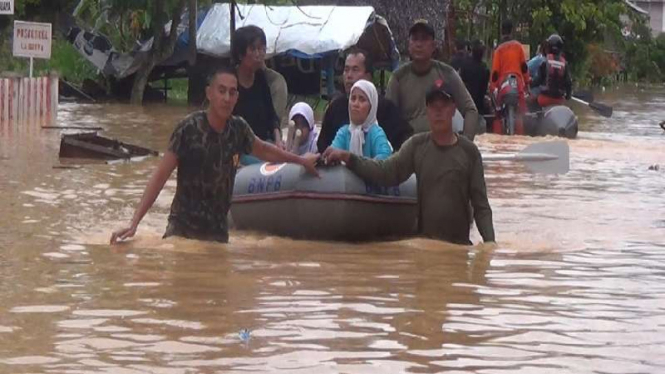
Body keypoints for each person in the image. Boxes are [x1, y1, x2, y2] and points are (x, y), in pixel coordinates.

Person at [110, 67, 319, 245]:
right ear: (209, 93)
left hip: (218, 234)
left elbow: (265, 150)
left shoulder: (238, 129)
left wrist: (301, 160)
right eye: (221, 91)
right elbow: (160, 176)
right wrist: (134, 223)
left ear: (237, 97)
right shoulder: (188, 129)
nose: (226, 98)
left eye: (232, 93)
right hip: (182, 232)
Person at [323, 79, 495, 245]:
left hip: (460, 247)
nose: (438, 111)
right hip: (425, 245)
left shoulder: (469, 152)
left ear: (453, 109)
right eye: (433, 106)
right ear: (427, 110)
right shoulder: (416, 146)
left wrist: (490, 244)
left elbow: (481, 207)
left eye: (444, 105)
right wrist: (349, 157)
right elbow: (385, 172)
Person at [386, 20, 479, 140]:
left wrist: (466, 143)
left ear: (433, 46)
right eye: (415, 39)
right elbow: (388, 117)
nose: (419, 44)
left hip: (443, 146)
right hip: (410, 149)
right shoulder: (398, 78)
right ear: (409, 45)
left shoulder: (447, 73)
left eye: (424, 39)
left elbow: (470, 109)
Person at [317, 47, 413, 153]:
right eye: (346, 70)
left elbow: (404, 141)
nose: (349, 75)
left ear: (368, 76)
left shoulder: (385, 108)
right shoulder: (336, 107)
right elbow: (323, 145)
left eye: (355, 70)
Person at [231, 26, 284, 159]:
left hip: (263, 146)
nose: (259, 54)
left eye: (261, 49)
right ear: (240, 54)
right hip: (240, 150)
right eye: (253, 49)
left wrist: (278, 141)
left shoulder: (261, 78)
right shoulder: (230, 81)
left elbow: (272, 117)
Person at [330, 80, 392, 160]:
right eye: (353, 98)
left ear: (371, 107)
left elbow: (385, 158)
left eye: (362, 99)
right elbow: (332, 154)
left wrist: (352, 162)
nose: (355, 104)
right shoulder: (345, 132)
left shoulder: (375, 132)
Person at [489, 19, 530, 134]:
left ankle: (498, 140)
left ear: (502, 31)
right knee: (522, 112)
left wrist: (492, 88)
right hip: (518, 83)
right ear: (512, 31)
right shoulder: (518, 47)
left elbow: (495, 73)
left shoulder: (499, 50)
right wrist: (527, 82)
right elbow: (524, 67)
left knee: (497, 114)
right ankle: (520, 140)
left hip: (503, 84)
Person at [531, 34, 572, 108]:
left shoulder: (544, 62)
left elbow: (537, 81)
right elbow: (568, 83)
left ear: (549, 47)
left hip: (544, 100)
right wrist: (568, 95)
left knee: (532, 102)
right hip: (559, 101)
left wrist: (531, 85)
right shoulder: (565, 64)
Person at [460, 39, 490, 116]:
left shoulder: (465, 64)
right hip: (478, 106)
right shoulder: (484, 69)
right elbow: (484, 89)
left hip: (465, 103)